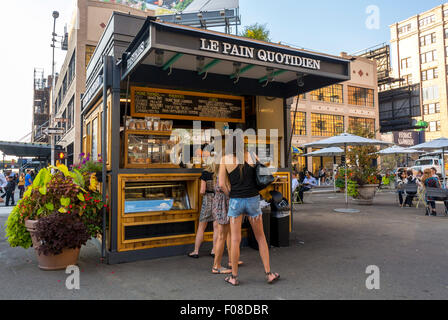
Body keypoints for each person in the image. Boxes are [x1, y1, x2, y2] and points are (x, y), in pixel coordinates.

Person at [219, 136, 279, 286]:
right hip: (253, 200)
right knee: (261, 237)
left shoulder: (225, 159)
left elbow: (221, 184)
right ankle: (269, 273)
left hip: (236, 202)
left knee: (235, 240)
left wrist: (230, 195)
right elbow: (262, 172)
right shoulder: (252, 155)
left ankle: (233, 276)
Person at [188, 161, 218, 258]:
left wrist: (203, 194)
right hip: (218, 201)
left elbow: (202, 190)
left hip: (208, 201)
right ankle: (214, 250)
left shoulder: (205, 173)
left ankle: (196, 251)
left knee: (201, 227)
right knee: (216, 228)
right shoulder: (220, 173)